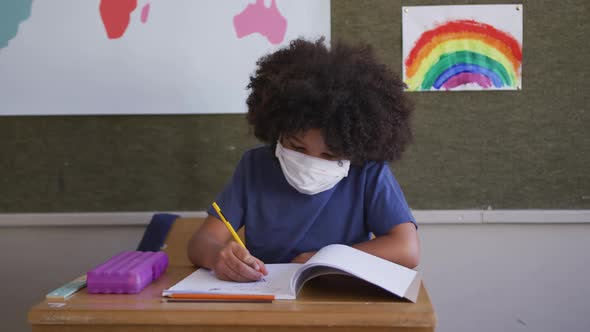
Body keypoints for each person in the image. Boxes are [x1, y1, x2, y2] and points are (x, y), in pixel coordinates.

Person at [187, 37, 419, 282]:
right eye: (297, 147)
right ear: (277, 131)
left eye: (330, 155)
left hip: (343, 298)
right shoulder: (255, 166)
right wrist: (218, 256)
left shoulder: (368, 172)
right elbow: (201, 242)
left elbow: (407, 249)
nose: (310, 162)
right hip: (268, 299)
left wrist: (323, 259)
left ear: (355, 148)